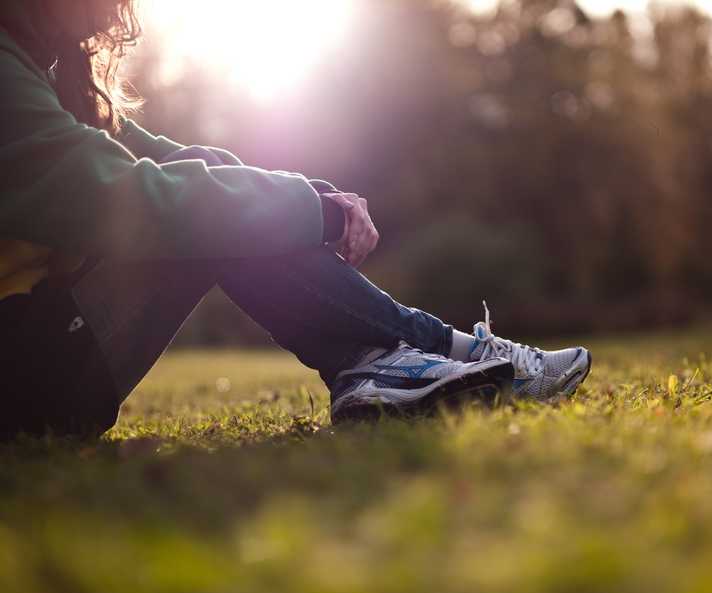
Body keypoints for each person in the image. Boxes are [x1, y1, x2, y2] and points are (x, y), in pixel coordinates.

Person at [0, 0, 591, 438]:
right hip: (24, 381)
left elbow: (177, 160)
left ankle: (373, 368)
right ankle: (429, 352)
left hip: (38, 360)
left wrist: (311, 197)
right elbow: (135, 197)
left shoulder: (42, 73)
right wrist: (310, 212)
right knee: (204, 214)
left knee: (211, 187)